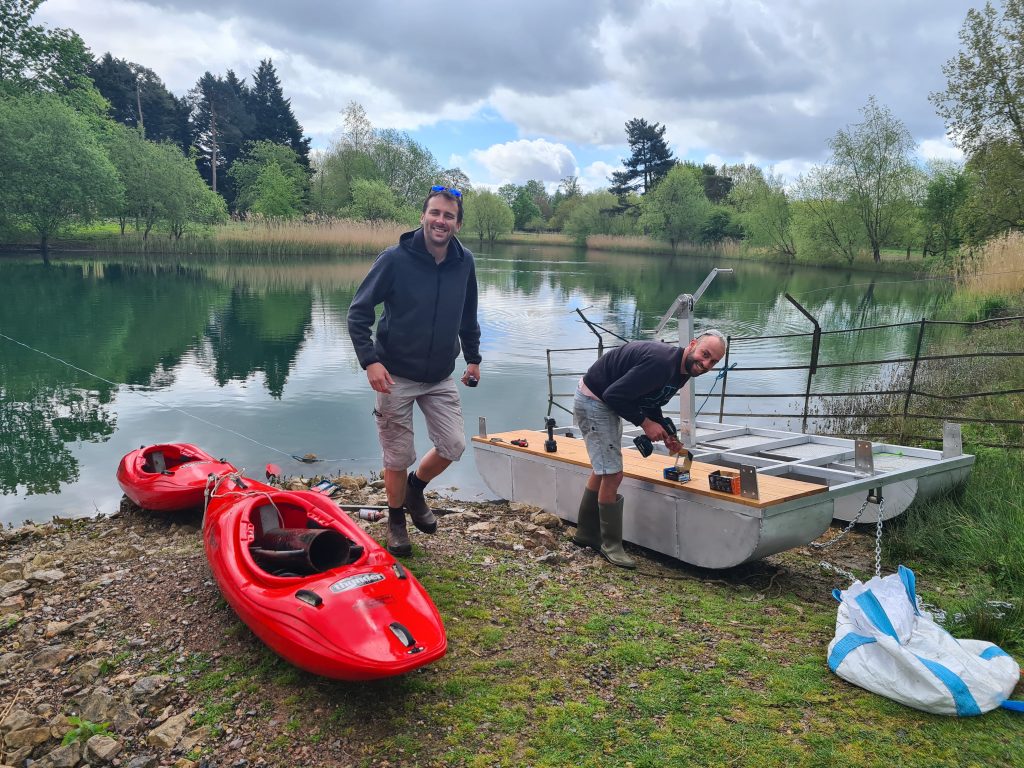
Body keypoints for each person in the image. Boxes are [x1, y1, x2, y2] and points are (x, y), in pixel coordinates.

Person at [347, 185, 481, 556]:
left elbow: (468, 314)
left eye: (449, 216)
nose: (441, 220)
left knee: (453, 445)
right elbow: (359, 313)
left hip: (439, 375)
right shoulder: (394, 259)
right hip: (394, 375)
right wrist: (370, 361)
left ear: (457, 224)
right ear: (422, 216)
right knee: (396, 455)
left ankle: (415, 489)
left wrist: (473, 358)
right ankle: (395, 521)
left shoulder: (464, 262)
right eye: (435, 212)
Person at [572, 332, 727, 569]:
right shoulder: (661, 363)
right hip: (595, 400)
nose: (706, 364)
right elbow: (614, 395)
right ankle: (611, 545)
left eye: (713, 362)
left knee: (604, 467)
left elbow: (650, 400)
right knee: (613, 473)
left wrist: (667, 433)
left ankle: (586, 534)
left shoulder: (682, 370)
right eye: (705, 355)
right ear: (693, 344)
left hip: (604, 399)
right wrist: (645, 424)